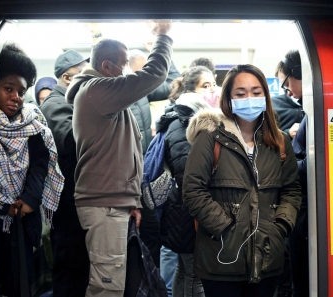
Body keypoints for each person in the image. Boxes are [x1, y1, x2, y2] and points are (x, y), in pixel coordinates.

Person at [65, 22, 173, 297]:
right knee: (106, 287)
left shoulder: (106, 100)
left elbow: (125, 155)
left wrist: (133, 201)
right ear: (106, 67)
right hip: (105, 205)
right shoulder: (96, 91)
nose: (126, 72)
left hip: (114, 203)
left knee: (114, 280)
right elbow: (153, 75)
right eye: (124, 65)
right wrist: (162, 36)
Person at [183, 64, 301, 297]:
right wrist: (226, 228)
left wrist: (280, 227)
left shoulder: (279, 141)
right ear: (228, 98)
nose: (249, 98)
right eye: (240, 93)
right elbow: (193, 190)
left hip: (268, 257)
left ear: (266, 96)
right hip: (221, 258)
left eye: (256, 92)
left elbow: (291, 190)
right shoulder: (210, 137)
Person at [0, 43, 64, 297]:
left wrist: (30, 199)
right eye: (8, 89)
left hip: (21, 216)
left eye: (21, 91)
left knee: (18, 281)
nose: (16, 97)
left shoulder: (31, 122)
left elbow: (40, 163)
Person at [156, 66, 216, 297]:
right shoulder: (185, 123)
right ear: (191, 90)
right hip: (187, 213)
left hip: (181, 210)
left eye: (213, 84)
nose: (212, 90)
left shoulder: (186, 117)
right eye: (205, 86)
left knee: (185, 271)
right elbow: (187, 173)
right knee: (194, 275)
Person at [40, 49, 89, 297]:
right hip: (68, 203)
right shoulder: (55, 104)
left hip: (77, 199)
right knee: (70, 270)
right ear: (68, 78)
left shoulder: (70, 102)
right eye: (84, 76)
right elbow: (71, 141)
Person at [276, 50, 309, 297]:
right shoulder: (308, 113)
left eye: (287, 84)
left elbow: (317, 165)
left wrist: (284, 166)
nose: (288, 92)